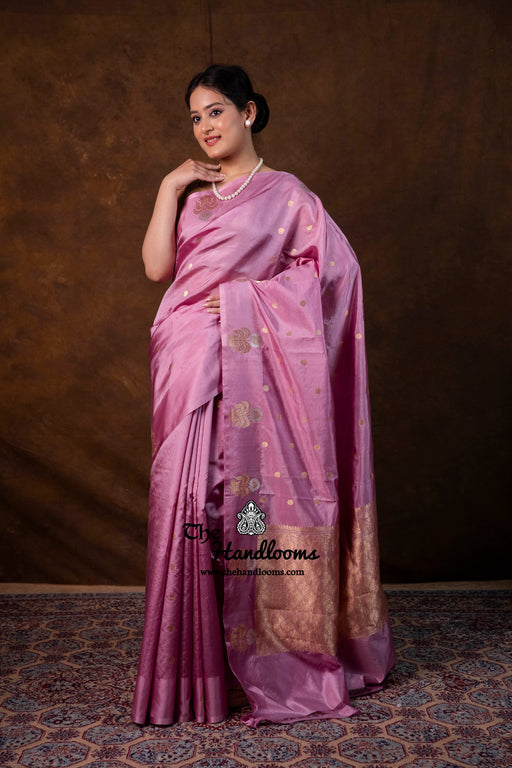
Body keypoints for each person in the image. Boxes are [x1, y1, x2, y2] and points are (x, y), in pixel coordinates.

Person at [131, 64, 395, 728]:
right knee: (191, 506)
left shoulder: (288, 197)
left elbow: (334, 278)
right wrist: (169, 185)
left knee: (248, 513)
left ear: (250, 112)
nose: (206, 127)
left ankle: (278, 656)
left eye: (216, 111)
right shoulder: (191, 199)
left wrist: (246, 304)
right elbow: (158, 269)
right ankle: (191, 675)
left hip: (255, 370)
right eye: (195, 117)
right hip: (187, 362)